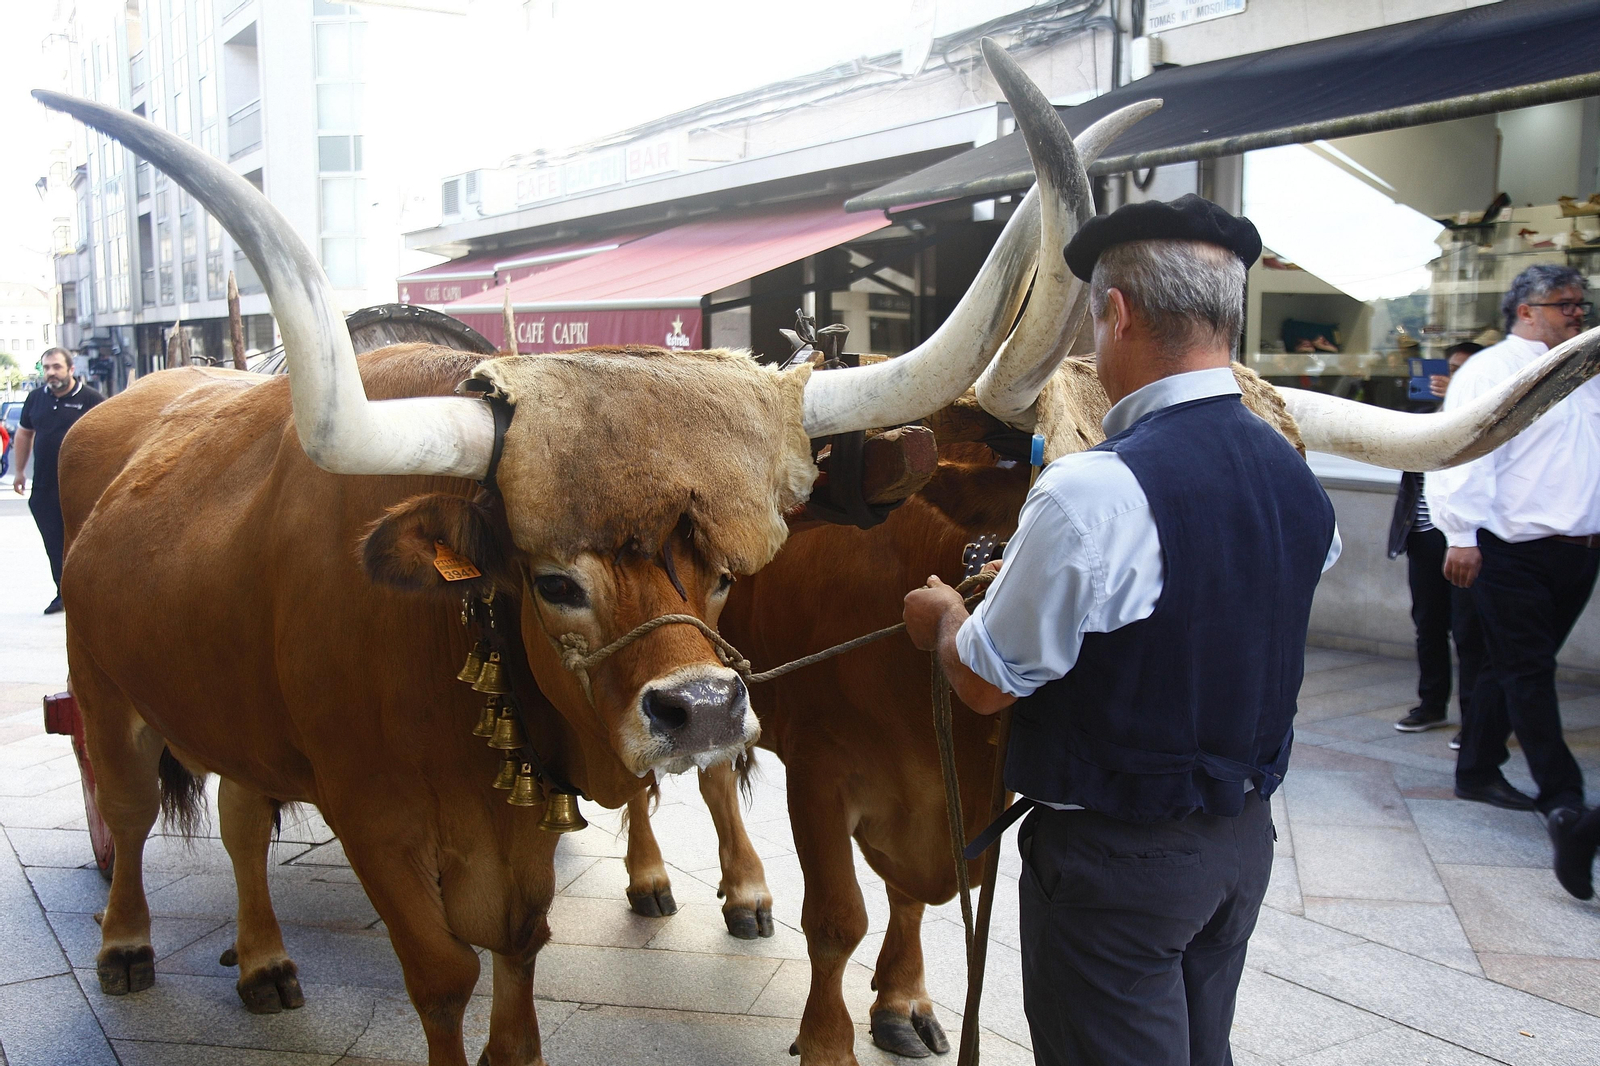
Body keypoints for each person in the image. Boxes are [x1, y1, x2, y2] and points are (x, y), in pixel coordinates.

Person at [904, 194, 1340, 1066]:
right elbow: (1214, 597)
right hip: (1241, 846)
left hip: (1116, 866)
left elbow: (985, 683)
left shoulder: (1090, 490)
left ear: (1118, 312)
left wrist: (946, 617)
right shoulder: (1296, 479)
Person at [1428, 263, 1600, 900]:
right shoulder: (1492, 371)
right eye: (1565, 305)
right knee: (1529, 670)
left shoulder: (1585, 371)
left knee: (1514, 666)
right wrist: (1461, 535)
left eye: (1581, 305)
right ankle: (1563, 799)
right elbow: (1463, 452)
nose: (1578, 314)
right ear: (1526, 311)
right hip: (1512, 550)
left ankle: (1476, 769)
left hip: (1578, 550)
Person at [1391, 342, 1484, 738]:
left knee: (1469, 629)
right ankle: (1431, 705)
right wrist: (1443, 406)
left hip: (1469, 538)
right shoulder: (1426, 416)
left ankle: (1475, 720)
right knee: (1428, 624)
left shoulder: (1489, 418)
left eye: (1463, 370)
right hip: (1425, 533)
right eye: (1449, 369)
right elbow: (1404, 452)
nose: (1452, 376)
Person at [11, 347, 104, 614]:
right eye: (47, 368)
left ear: (71, 369)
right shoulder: (35, 399)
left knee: (83, 542)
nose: (51, 373)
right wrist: (19, 472)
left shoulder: (91, 399)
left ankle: (92, 593)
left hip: (82, 486)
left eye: (56, 367)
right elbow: (24, 434)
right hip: (45, 486)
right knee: (54, 543)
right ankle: (63, 593)